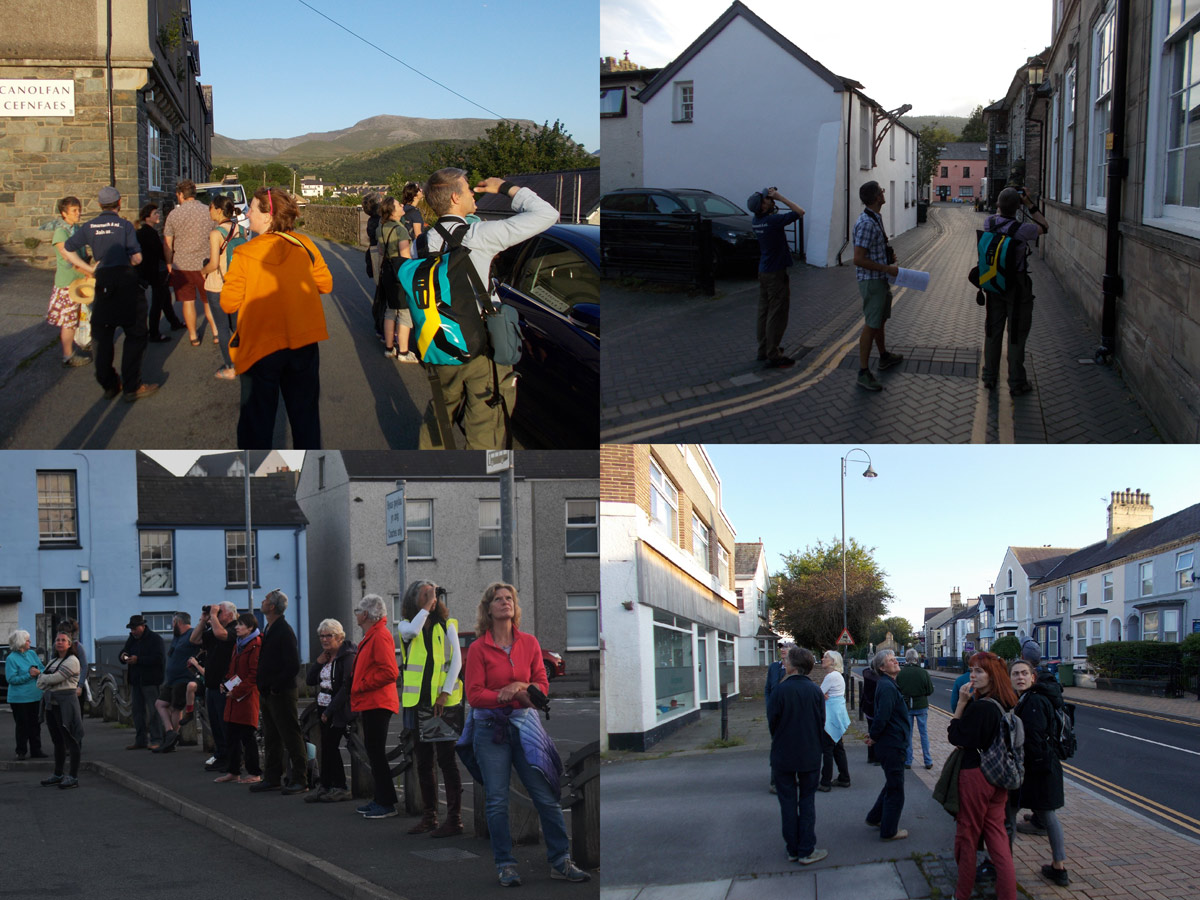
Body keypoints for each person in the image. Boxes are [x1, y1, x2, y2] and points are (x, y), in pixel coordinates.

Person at [459, 583, 590, 887]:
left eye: (509, 599)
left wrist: (516, 688)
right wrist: (506, 696)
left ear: (515, 607)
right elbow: (474, 696)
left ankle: (560, 860)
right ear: (488, 608)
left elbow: (541, 685)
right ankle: (505, 864)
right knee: (496, 800)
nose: (504, 603)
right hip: (490, 729)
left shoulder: (529, 643)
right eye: (498, 599)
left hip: (525, 725)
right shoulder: (479, 648)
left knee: (545, 795)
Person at [418, 168, 559, 450]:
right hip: (482, 346)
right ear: (456, 197)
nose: (473, 193)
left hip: (441, 342)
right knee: (486, 423)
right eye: (468, 188)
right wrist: (506, 188)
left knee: (440, 414)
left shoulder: (423, 242)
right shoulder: (480, 234)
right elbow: (547, 214)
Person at [220, 187, 332, 450]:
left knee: (257, 423)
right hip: (304, 342)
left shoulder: (245, 253)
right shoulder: (305, 244)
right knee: (305, 419)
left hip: (260, 347)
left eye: (252, 208)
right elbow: (325, 284)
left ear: (268, 217)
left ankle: (257, 479)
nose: (247, 213)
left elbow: (227, 303)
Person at [59, 186, 158, 402]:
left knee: (102, 334)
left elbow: (66, 249)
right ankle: (132, 385)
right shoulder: (124, 226)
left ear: (99, 205)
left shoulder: (89, 226)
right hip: (125, 281)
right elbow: (137, 257)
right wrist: (130, 260)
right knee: (136, 333)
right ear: (119, 203)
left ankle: (109, 383)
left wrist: (90, 268)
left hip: (102, 281)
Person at [948, 651, 1019, 900]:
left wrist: (961, 703)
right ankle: (1008, 895)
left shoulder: (980, 708)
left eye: (979, 671)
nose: (973, 675)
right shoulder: (1006, 701)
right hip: (998, 776)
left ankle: (962, 893)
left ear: (992, 675)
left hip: (976, 776)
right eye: (971, 669)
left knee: (967, 835)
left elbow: (954, 736)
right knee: (997, 836)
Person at [397, 580, 464, 836]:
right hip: (417, 704)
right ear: (414, 599)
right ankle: (430, 817)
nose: (431, 598)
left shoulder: (447, 625)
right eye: (424, 594)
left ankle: (455, 819)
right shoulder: (405, 625)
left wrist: (445, 693)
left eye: (432, 594)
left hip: (443, 703)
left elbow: (456, 659)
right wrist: (425, 606)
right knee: (424, 762)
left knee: (447, 760)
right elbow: (412, 632)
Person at [980, 187, 1049, 396]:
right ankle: (1017, 381)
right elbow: (1044, 227)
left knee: (993, 330)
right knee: (1016, 334)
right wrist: (1029, 203)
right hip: (1017, 286)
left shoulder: (988, 222)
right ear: (1017, 207)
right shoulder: (1022, 229)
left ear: (998, 205)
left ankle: (989, 376)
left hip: (993, 282)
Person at [1009, 658, 1069, 886]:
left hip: (1037, 769)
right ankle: (1058, 867)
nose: (1020, 677)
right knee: (1046, 816)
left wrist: (1022, 771)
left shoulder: (1033, 701)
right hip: (1043, 767)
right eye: (1015, 674)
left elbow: (1032, 740)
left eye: (1024, 673)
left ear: (1033, 677)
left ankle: (1005, 863)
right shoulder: (1030, 698)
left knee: (1011, 813)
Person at [768, 645, 828, 865]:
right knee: (807, 801)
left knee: (787, 802)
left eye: (786, 661)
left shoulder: (779, 691)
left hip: (783, 753)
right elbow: (821, 721)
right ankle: (806, 850)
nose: (783, 663)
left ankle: (792, 848)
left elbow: (772, 723)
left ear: (792, 665)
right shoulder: (815, 691)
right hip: (809, 753)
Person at [251, 589, 308, 795]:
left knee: (291, 735)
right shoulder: (270, 628)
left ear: (273, 606)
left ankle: (300, 779)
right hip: (268, 692)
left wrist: (275, 685)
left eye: (266, 599)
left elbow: (293, 664)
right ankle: (272, 777)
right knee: (271, 736)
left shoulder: (284, 630)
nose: (263, 602)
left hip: (281, 692)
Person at [349, 593, 400, 819]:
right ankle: (381, 798)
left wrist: (361, 684)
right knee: (374, 751)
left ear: (367, 614)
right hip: (373, 700)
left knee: (376, 752)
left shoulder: (379, 636)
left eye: (358, 611)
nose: (357, 615)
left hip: (378, 701)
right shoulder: (374, 634)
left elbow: (390, 672)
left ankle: (386, 802)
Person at [852, 181, 903, 392]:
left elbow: (871, 251)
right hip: (872, 281)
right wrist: (886, 268)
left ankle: (883, 357)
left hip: (879, 279)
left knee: (879, 320)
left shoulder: (875, 218)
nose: (884, 192)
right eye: (881, 190)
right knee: (871, 325)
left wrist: (886, 257)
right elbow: (858, 258)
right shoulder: (866, 223)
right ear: (875, 197)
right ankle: (863, 373)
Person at [747, 187, 805, 368]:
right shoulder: (772, 221)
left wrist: (771, 199)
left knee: (763, 312)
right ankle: (773, 353)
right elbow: (800, 212)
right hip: (775, 273)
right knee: (777, 314)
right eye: (767, 199)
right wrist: (780, 197)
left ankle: (763, 349)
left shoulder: (756, 221)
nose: (770, 200)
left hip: (764, 271)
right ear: (762, 206)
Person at [304, 617, 356, 803]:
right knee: (325, 747)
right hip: (323, 705)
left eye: (329, 636)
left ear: (340, 637)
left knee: (331, 747)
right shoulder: (325, 657)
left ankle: (340, 786)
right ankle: (325, 786)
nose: (325, 640)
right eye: (322, 636)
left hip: (338, 709)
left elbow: (346, 687)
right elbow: (310, 681)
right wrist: (318, 662)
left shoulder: (347, 656)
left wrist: (330, 711)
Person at [163, 179, 220, 347]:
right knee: (208, 301)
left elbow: (167, 243)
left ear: (181, 195)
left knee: (188, 302)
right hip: (205, 263)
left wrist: (169, 262)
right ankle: (216, 332)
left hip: (182, 265)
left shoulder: (174, 214)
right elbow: (217, 234)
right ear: (194, 194)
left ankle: (194, 336)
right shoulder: (207, 211)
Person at [864, 648, 911, 841]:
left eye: (895, 659)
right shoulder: (887, 687)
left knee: (892, 783)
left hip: (891, 742)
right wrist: (874, 736)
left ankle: (875, 817)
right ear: (882, 668)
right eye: (891, 660)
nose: (895, 661)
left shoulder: (887, 684)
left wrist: (875, 735)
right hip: (892, 744)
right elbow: (882, 716)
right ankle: (889, 830)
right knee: (896, 788)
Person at [199, 195, 245, 381]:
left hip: (218, 285)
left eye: (210, 207)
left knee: (222, 328)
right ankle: (243, 359)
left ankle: (231, 366)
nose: (208, 210)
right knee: (236, 326)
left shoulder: (216, 233)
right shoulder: (242, 230)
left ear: (218, 210)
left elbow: (214, 263)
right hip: (236, 284)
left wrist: (203, 271)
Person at [189, 602, 237, 771]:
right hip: (212, 685)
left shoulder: (233, 629)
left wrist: (214, 616)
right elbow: (194, 639)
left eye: (220, 612)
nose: (214, 614)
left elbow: (222, 634)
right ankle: (221, 755)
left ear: (230, 615)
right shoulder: (214, 630)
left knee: (226, 725)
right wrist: (203, 620)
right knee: (215, 724)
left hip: (226, 686)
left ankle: (232, 759)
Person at [216, 612, 263, 784]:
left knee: (247, 736)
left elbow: (253, 675)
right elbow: (233, 670)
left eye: (240, 624)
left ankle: (254, 772)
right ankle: (233, 770)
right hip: (234, 696)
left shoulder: (255, 645)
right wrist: (226, 683)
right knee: (232, 734)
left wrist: (236, 691)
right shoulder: (239, 644)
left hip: (247, 697)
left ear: (250, 627)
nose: (236, 627)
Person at [36, 632, 84, 789]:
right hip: (52, 703)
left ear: (69, 644)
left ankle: (73, 777)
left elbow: (53, 679)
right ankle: (58, 774)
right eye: (57, 640)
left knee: (71, 739)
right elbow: (42, 683)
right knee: (57, 740)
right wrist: (44, 678)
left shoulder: (72, 661)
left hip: (66, 703)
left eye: (63, 640)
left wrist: (41, 676)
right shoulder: (54, 660)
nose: (60, 642)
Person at [47, 196, 91, 367]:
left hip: (79, 281)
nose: (78, 213)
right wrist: (89, 272)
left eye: (79, 209)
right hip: (67, 283)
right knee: (68, 321)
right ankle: (68, 355)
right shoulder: (61, 232)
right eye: (74, 210)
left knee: (80, 316)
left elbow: (82, 254)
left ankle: (82, 342)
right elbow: (68, 258)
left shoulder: (76, 229)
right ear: (64, 213)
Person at [377, 197, 417, 363]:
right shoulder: (401, 231)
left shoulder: (381, 228)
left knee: (391, 309)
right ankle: (403, 351)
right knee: (404, 312)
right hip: (399, 272)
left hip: (386, 270)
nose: (402, 206)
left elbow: (380, 251)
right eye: (398, 205)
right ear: (393, 211)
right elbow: (406, 257)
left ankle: (389, 348)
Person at [136, 202, 183, 341]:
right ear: (147, 217)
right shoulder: (148, 233)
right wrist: (171, 257)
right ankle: (154, 333)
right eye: (155, 213)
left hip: (153, 270)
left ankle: (174, 323)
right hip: (154, 272)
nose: (158, 215)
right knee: (157, 302)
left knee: (165, 299)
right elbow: (158, 252)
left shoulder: (145, 232)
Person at [120, 614, 165, 749]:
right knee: (137, 711)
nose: (133, 632)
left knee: (153, 711)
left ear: (143, 626)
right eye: (131, 629)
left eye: (135, 629)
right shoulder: (132, 639)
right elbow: (123, 652)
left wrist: (138, 660)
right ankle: (141, 740)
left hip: (150, 680)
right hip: (136, 680)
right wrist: (123, 656)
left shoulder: (155, 639)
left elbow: (158, 659)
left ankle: (157, 739)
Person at [154, 612, 193, 753]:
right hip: (171, 679)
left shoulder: (191, 634)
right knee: (160, 703)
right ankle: (170, 732)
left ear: (178, 622)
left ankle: (172, 739)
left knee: (177, 708)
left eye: (173, 623)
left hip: (183, 678)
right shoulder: (177, 637)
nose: (172, 626)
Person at [6, 630, 46, 760]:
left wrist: (38, 671)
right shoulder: (11, 658)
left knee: (35, 724)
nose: (30, 642)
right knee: (22, 725)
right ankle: (21, 751)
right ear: (21, 642)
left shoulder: (32, 654)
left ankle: (36, 750)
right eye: (28, 640)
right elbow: (11, 679)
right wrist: (29, 675)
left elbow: (43, 669)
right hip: (19, 698)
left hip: (35, 696)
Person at [817, 650, 851, 790]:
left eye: (826, 657)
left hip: (831, 716)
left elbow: (818, 694)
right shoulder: (837, 676)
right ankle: (844, 777)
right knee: (837, 748)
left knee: (828, 749)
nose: (823, 659)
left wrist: (822, 694)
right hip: (837, 714)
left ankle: (826, 781)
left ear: (833, 661)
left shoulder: (831, 676)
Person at [896, 648, 934, 770]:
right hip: (921, 705)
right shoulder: (923, 673)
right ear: (917, 659)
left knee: (908, 734)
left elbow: (897, 691)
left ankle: (908, 761)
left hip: (906, 706)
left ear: (906, 659)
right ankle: (927, 760)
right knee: (924, 734)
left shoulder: (901, 673)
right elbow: (930, 690)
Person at [764, 642, 789, 793]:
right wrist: (769, 706)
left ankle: (790, 778)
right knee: (777, 746)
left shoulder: (795, 669)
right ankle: (775, 781)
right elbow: (767, 689)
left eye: (786, 647)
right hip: (775, 712)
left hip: (788, 713)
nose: (783, 650)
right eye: (782, 648)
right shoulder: (774, 667)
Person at [860, 654, 879, 764]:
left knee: (870, 729)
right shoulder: (878, 679)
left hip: (867, 707)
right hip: (875, 708)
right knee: (877, 731)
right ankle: (877, 757)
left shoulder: (866, 674)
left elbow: (867, 669)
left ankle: (870, 756)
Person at [401, 182, 427, 257]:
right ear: (414, 196)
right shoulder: (415, 212)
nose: (421, 190)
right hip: (412, 249)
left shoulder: (402, 209)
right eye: (419, 190)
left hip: (403, 246)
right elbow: (417, 234)